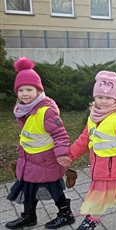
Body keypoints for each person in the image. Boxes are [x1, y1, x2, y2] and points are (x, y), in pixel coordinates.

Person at [57, 71, 116, 229]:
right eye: (100, 97)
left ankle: (91, 221)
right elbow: (84, 139)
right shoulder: (93, 117)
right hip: (99, 165)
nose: (104, 101)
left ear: (115, 99)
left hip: (113, 168)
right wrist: (70, 155)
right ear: (95, 98)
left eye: (108, 98)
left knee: (100, 196)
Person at [5, 57, 75, 229]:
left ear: (38, 91)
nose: (25, 93)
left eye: (29, 89)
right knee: (28, 187)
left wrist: (61, 154)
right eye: (21, 90)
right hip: (29, 158)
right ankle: (29, 216)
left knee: (53, 187)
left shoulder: (46, 111)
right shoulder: (24, 109)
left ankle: (66, 214)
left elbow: (60, 135)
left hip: (47, 160)